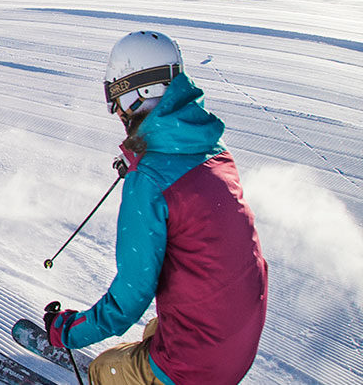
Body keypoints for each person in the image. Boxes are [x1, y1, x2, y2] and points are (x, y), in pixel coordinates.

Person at [44, 31, 267, 385]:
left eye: (115, 97)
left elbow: (128, 300)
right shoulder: (213, 149)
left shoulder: (148, 182)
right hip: (238, 342)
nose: (116, 111)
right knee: (154, 329)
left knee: (104, 369)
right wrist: (141, 160)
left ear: (137, 93)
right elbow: (180, 182)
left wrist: (68, 331)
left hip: (199, 369)